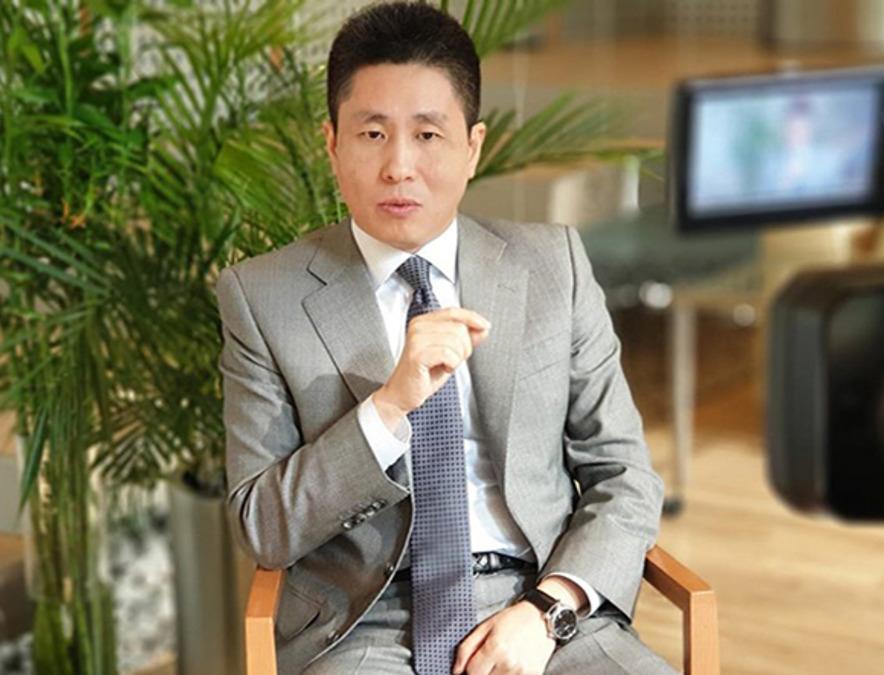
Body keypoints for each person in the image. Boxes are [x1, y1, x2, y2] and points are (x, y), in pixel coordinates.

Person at [215, 2, 670, 673]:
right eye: (373, 133)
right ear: (332, 144)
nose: (399, 166)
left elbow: (624, 475)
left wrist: (549, 610)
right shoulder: (261, 297)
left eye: (427, 134)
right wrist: (386, 410)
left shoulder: (554, 267)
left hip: (546, 609)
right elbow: (262, 523)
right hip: (368, 626)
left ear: (473, 147)